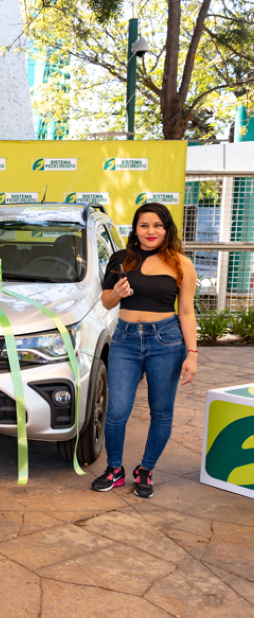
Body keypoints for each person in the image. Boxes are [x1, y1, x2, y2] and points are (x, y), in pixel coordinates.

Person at [92, 203, 198, 498]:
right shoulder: (121, 259)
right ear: (135, 229)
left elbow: (187, 312)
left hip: (166, 342)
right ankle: (115, 470)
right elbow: (106, 302)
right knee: (117, 411)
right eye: (144, 225)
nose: (151, 231)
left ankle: (146, 470)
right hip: (125, 340)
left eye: (158, 225)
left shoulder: (181, 263)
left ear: (167, 229)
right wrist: (117, 293)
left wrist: (192, 354)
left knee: (161, 412)